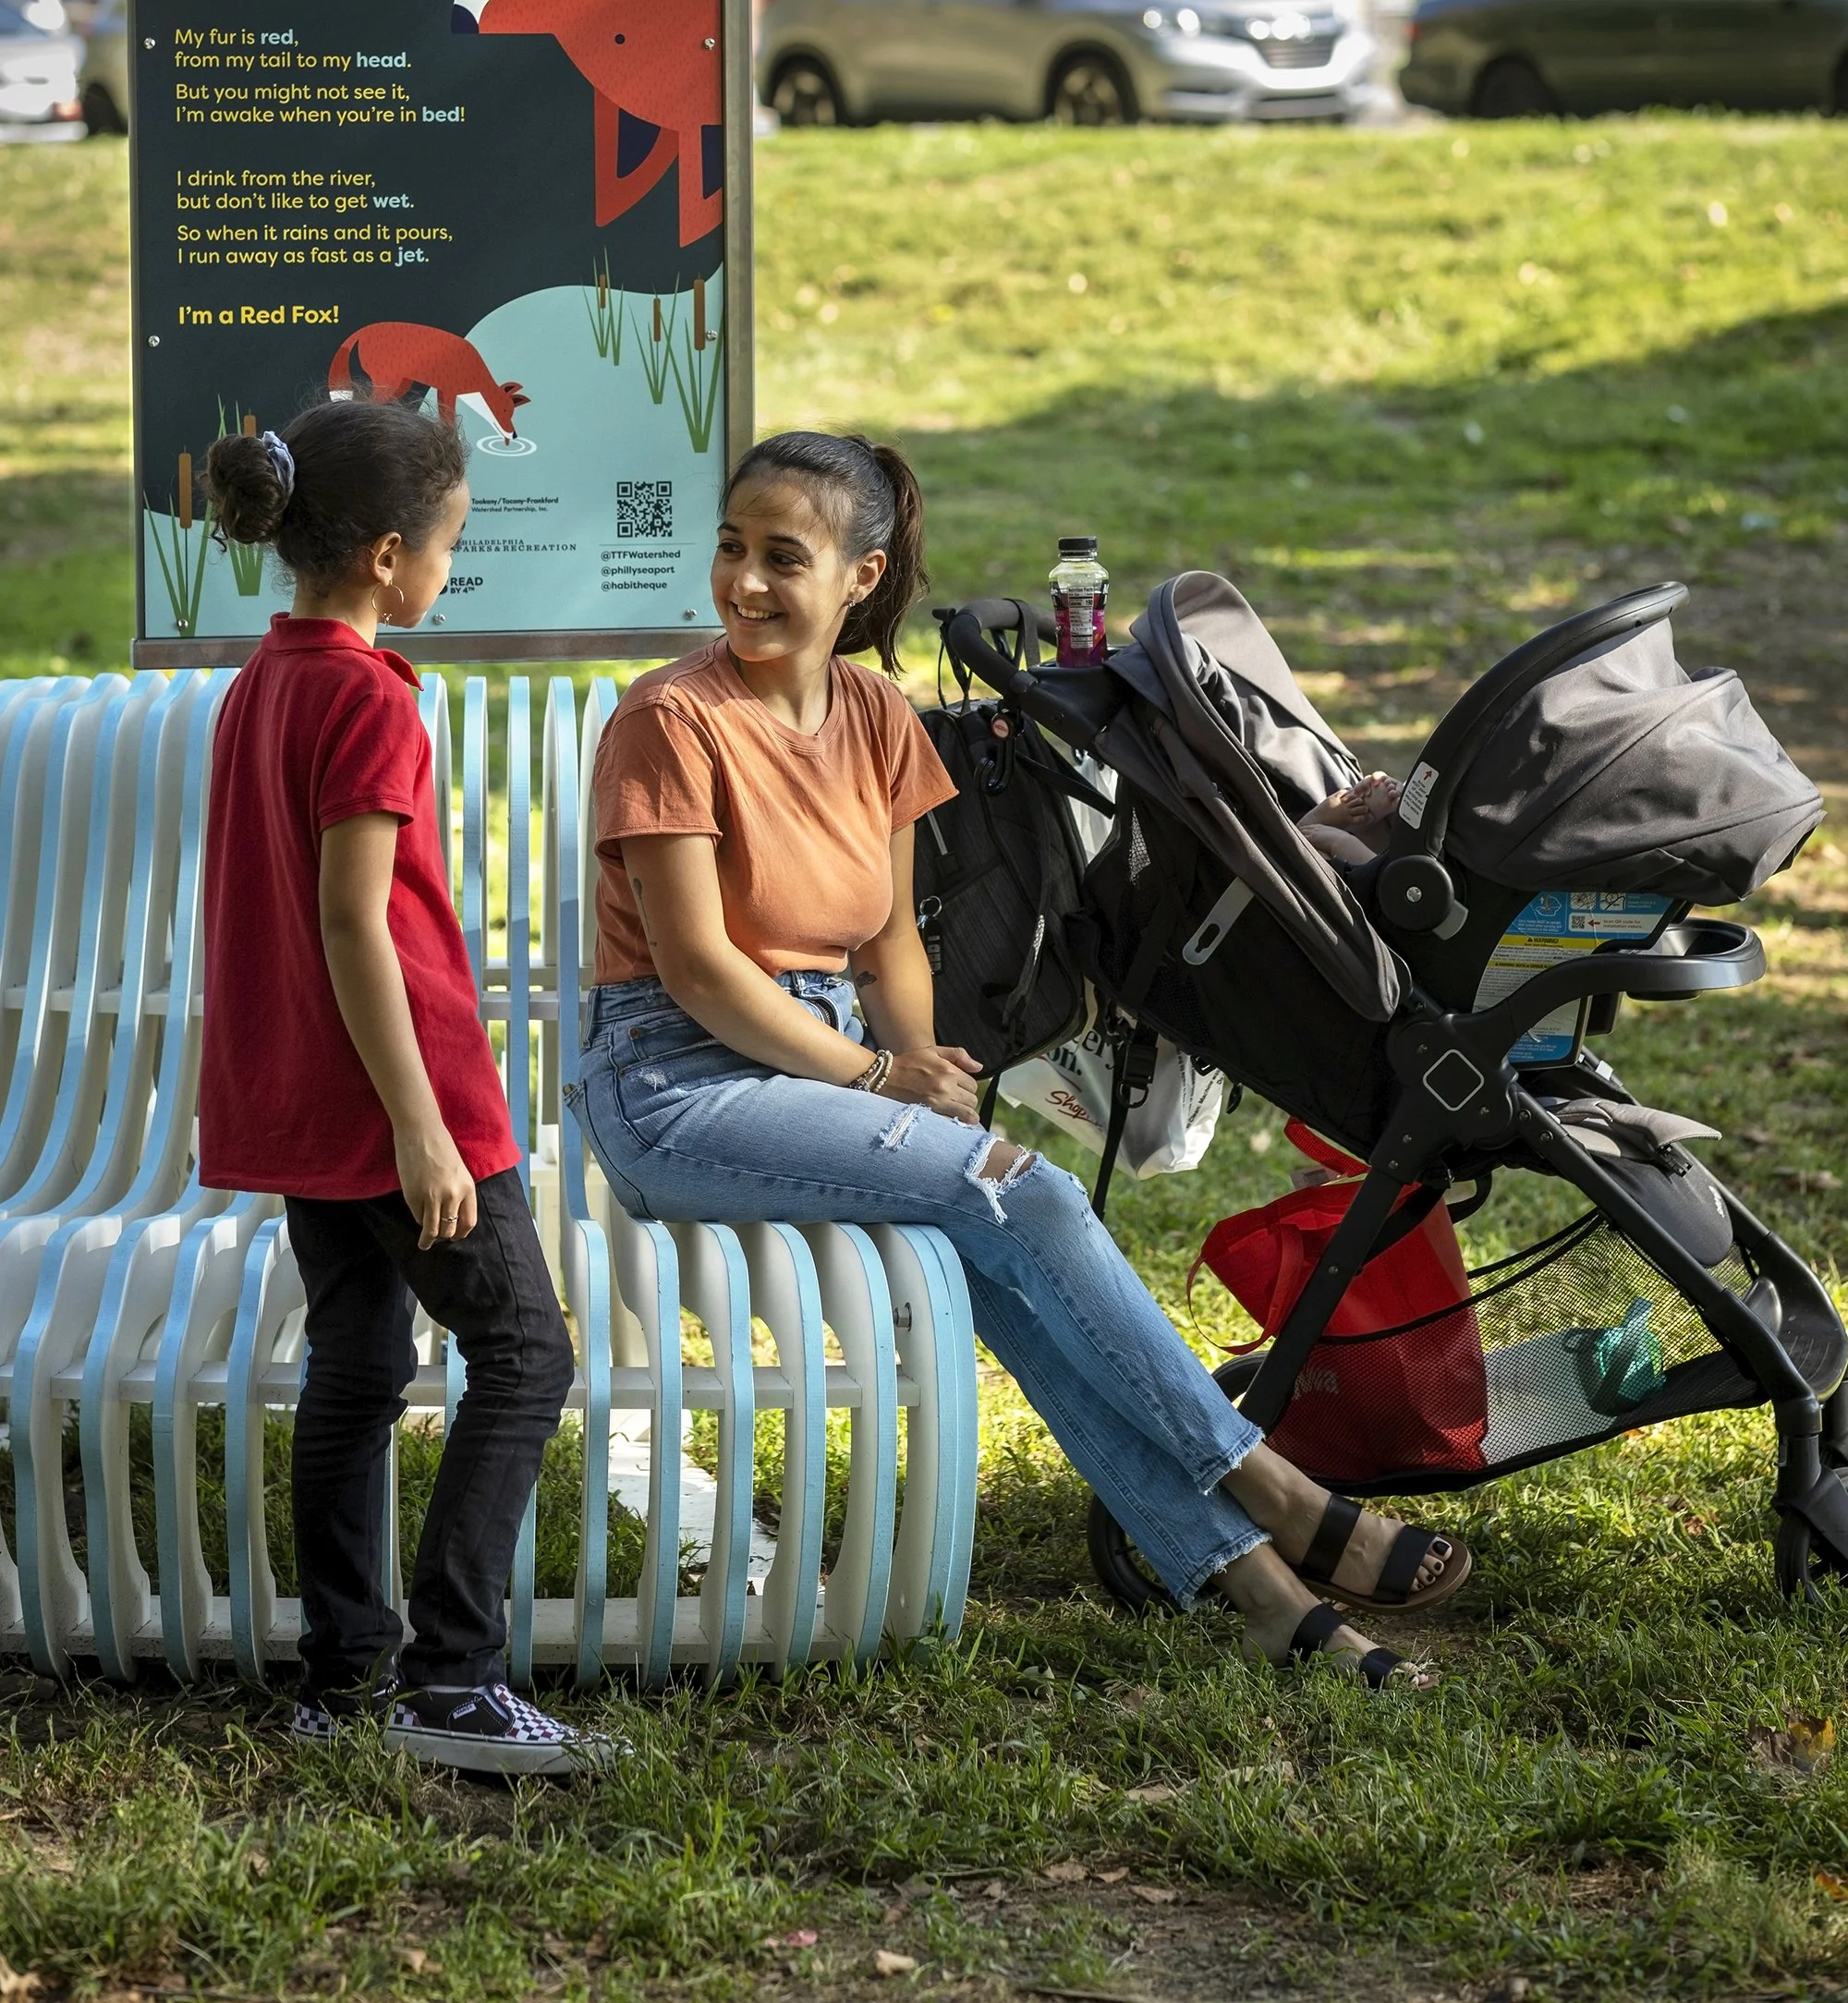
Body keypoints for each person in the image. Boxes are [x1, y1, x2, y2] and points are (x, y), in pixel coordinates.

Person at [572, 431, 1471, 1684]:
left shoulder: (878, 716)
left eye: (786, 557)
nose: (746, 583)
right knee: (1020, 1191)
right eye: (733, 549)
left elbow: (889, 944)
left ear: (862, 576)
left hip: (818, 1067)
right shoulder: (669, 718)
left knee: (997, 1261)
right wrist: (881, 1085)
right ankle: (1270, 1482)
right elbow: (699, 972)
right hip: (676, 1086)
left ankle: (1266, 1597)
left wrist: (918, 1055)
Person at [200, 399, 602, 1775]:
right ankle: (453, 1678)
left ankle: (344, 1675)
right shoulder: (367, 698)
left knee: (359, 1365)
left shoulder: (264, 681)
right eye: (448, 547)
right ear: (384, 556)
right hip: (399, 1103)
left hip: (306, 1105)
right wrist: (425, 1128)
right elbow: (353, 923)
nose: (449, 570)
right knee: (526, 1355)